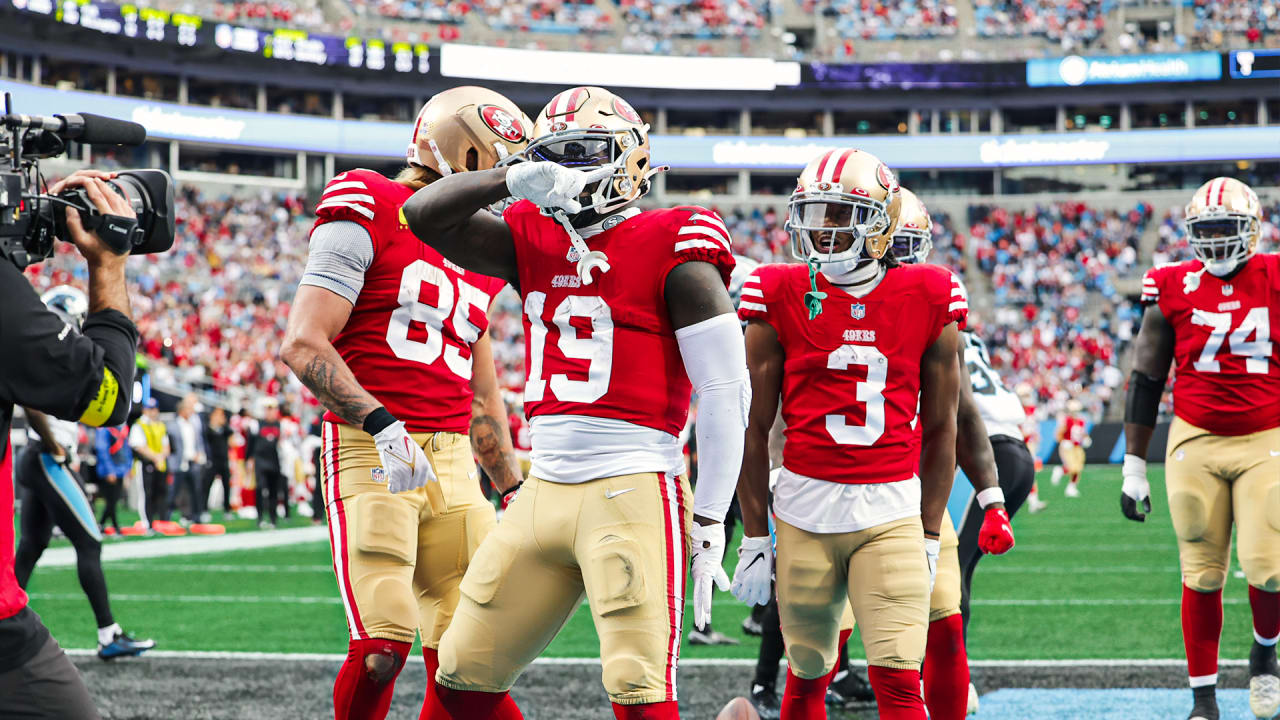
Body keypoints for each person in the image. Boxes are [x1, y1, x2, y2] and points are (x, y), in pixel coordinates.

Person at [403, 85, 748, 720]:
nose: (570, 171)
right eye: (556, 157)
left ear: (629, 157)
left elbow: (728, 390)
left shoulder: (678, 239)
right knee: (459, 682)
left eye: (584, 154)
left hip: (634, 486)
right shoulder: (530, 233)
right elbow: (421, 215)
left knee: (639, 694)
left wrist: (710, 522)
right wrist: (512, 176)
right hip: (543, 489)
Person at [280, 86, 528, 720]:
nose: (506, 187)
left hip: (453, 466)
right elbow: (304, 343)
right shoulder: (370, 199)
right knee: (382, 645)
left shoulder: (483, 253)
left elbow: (479, 391)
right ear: (466, 153)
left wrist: (511, 484)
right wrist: (380, 422)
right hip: (372, 449)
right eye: (502, 164)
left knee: (470, 662)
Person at [730, 148, 963, 720]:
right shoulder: (776, 289)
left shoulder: (930, 293)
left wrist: (931, 533)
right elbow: (751, 428)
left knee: (900, 682)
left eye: (840, 214)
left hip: (891, 510)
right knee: (807, 678)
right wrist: (756, 536)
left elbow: (943, 428)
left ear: (881, 222)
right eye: (814, 213)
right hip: (804, 511)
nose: (823, 229)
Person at [1121, 176, 1280, 720]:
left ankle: (1264, 655)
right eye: (1204, 231)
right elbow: (1146, 377)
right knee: (1201, 569)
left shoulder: (1276, 275)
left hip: (1267, 436)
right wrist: (1133, 466)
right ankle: (1203, 700)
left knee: (1270, 566)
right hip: (1195, 436)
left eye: (1224, 229)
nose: (1213, 242)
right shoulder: (1171, 283)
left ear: (1252, 230)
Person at [0, 170, 141, 719]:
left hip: (38, 460)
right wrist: (108, 262)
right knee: (88, 541)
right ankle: (108, 632)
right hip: (47, 458)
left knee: (30, 547)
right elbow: (107, 398)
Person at [889, 188, 1026, 717]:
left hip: (980, 450)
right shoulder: (933, 291)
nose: (896, 258)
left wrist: (990, 494)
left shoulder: (923, 302)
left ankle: (944, 684)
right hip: (996, 445)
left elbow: (956, 413)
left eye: (904, 245)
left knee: (948, 576)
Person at [166, 393, 207, 524]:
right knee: (174, 491)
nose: (191, 412)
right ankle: (167, 516)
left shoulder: (193, 424)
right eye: (188, 409)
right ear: (182, 410)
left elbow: (198, 441)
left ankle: (196, 516)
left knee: (195, 490)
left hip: (193, 462)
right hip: (179, 462)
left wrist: (200, 454)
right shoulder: (172, 425)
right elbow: (171, 446)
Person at [129, 397, 170, 528]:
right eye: (150, 409)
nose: (153, 412)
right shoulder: (139, 425)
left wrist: (160, 457)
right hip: (145, 463)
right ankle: (148, 522)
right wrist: (156, 457)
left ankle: (161, 520)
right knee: (146, 493)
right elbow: (139, 446)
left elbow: (166, 445)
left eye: (155, 409)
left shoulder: (160, 425)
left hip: (160, 463)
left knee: (160, 492)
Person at [245, 399, 285, 528]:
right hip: (261, 461)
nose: (270, 412)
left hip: (274, 461)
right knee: (260, 489)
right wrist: (249, 460)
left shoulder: (280, 424)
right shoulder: (257, 424)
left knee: (274, 491)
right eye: (268, 409)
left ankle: (273, 519)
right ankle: (260, 517)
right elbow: (250, 444)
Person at [203, 406, 234, 519]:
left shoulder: (224, 429)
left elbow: (231, 436)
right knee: (207, 485)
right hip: (212, 461)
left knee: (227, 486)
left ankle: (227, 509)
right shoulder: (208, 429)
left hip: (224, 460)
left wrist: (223, 422)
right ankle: (204, 509)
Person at [1055, 400, 1088, 498]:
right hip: (1068, 447)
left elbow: (1083, 433)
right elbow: (1058, 434)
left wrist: (1086, 438)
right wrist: (1063, 441)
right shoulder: (1066, 420)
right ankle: (1061, 470)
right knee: (1072, 467)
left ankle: (1071, 487)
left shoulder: (1081, 421)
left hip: (1077, 446)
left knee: (1078, 467)